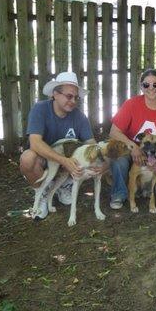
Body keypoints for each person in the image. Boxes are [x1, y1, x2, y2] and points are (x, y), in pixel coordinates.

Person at [19, 71, 100, 219]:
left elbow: (91, 144)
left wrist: (99, 160)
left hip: (68, 164)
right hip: (47, 161)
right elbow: (35, 143)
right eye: (69, 96)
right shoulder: (40, 109)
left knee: (87, 158)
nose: (73, 101)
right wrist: (64, 161)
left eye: (76, 97)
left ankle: (63, 185)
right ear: (55, 94)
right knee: (27, 158)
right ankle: (42, 193)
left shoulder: (80, 116)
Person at [108, 69, 156, 209]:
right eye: (146, 85)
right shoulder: (131, 104)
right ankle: (119, 192)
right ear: (141, 86)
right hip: (131, 150)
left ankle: (151, 188)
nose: (151, 88)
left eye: (155, 85)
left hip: (155, 151)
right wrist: (133, 147)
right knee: (117, 159)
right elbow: (114, 132)